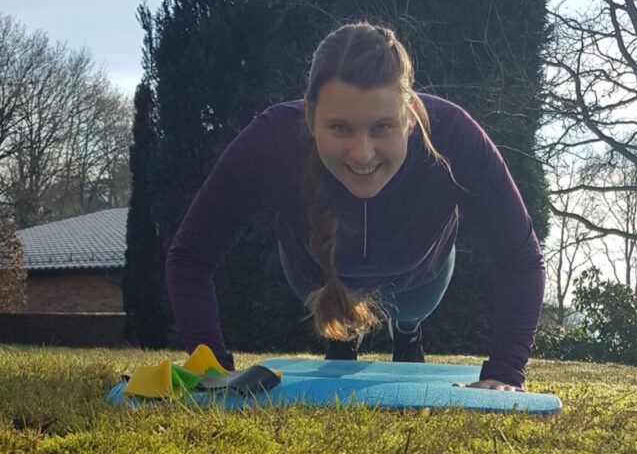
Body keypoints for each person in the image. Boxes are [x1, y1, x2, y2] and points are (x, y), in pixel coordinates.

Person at [165, 21, 545, 391]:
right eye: (340, 128)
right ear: (311, 116)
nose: (362, 155)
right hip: (316, 272)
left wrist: (506, 371)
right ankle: (342, 337)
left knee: (410, 309)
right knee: (338, 325)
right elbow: (191, 256)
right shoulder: (271, 141)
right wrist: (212, 366)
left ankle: (407, 330)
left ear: (410, 113)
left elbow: (521, 257)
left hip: (417, 278)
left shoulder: (455, 135)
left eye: (381, 127)